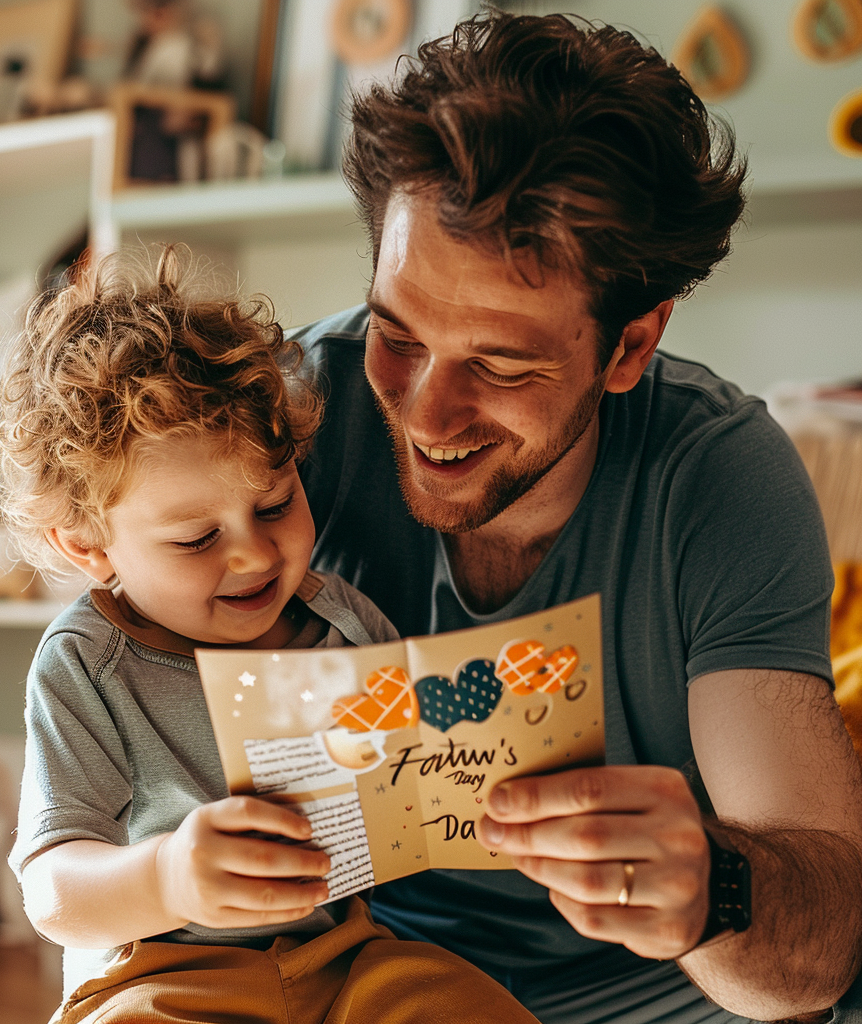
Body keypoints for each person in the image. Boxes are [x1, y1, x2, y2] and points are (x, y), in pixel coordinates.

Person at [293, 11, 862, 1024]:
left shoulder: (720, 477)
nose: (425, 413)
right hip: (365, 982)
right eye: (396, 333)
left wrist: (713, 891)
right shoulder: (291, 420)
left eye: (500, 365)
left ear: (630, 346)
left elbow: (816, 954)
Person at [0, 248, 537, 1024]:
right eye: (194, 539)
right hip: (161, 977)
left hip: (344, 959)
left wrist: (493, 764)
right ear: (89, 547)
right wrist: (169, 878)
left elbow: (425, 786)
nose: (251, 553)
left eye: (275, 505)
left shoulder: (344, 624)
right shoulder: (88, 665)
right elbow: (52, 893)